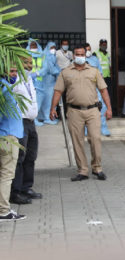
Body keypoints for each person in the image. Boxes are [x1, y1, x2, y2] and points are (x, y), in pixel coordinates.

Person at [50, 45, 112, 182]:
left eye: (82, 54)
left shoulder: (94, 71)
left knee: (95, 139)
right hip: (74, 111)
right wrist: (52, 108)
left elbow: (103, 90)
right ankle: (82, 170)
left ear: (85, 55)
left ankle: (97, 168)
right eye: (77, 54)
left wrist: (109, 108)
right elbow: (58, 91)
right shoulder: (65, 72)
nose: (79, 56)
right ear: (73, 56)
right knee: (77, 141)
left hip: (93, 110)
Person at [10, 58, 42, 205]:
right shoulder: (14, 79)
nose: (29, 66)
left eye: (31, 63)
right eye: (26, 63)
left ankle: (26, 187)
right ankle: (15, 192)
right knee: (20, 158)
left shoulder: (29, 79)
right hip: (20, 122)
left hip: (31, 122)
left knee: (31, 156)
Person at [0, 66, 26, 222]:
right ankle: (3, 210)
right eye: (11, 71)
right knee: (6, 175)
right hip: (7, 138)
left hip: (7, 136)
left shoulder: (6, 87)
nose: (15, 74)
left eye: (16, 71)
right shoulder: (4, 89)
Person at [85, 43, 111, 137]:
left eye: (90, 49)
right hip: (85, 89)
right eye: (87, 49)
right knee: (86, 109)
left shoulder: (95, 59)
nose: (89, 51)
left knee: (102, 107)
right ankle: (86, 130)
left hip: (96, 87)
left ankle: (103, 128)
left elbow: (100, 72)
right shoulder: (80, 60)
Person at [39, 41, 61, 125]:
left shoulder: (53, 57)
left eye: (54, 48)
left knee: (52, 99)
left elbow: (55, 66)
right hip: (47, 81)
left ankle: (49, 116)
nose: (53, 50)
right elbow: (50, 69)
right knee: (48, 101)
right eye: (51, 48)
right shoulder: (45, 57)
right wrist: (58, 71)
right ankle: (47, 117)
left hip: (52, 81)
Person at [26, 38, 44, 127]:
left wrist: (38, 73)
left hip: (40, 82)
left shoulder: (42, 55)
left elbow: (46, 67)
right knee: (30, 100)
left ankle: (36, 118)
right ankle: (32, 118)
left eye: (35, 45)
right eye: (32, 45)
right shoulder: (25, 55)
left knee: (39, 101)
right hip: (29, 81)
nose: (33, 47)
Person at [95, 39, 113, 113]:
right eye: (102, 44)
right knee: (100, 95)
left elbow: (109, 65)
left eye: (105, 44)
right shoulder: (95, 53)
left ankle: (108, 110)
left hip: (107, 77)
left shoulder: (108, 54)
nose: (104, 46)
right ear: (99, 45)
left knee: (107, 94)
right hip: (100, 77)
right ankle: (101, 111)